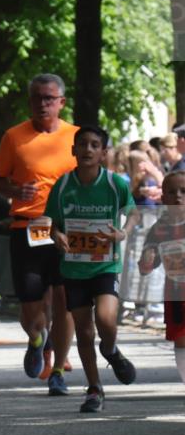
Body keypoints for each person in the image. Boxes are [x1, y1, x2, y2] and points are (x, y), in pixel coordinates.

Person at [0, 73, 78, 395]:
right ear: (30, 101)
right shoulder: (14, 137)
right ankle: (37, 338)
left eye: (49, 98)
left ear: (61, 102)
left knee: (65, 300)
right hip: (28, 226)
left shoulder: (76, 137)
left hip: (67, 229)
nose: (43, 103)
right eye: (37, 98)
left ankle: (57, 370)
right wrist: (15, 189)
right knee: (31, 305)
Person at [45, 126, 139, 413]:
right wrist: (56, 235)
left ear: (103, 153)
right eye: (82, 144)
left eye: (94, 144)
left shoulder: (114, 184)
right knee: (84, 333)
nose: (87, 149)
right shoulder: (62, 186)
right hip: (74, 269)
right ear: (73, 150)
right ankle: (94, 388)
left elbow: (133, 212)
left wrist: (123, 232)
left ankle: (109, 349)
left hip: (105, 265)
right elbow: (50, 223)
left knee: (107, 320)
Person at [139, 170, 185, 384]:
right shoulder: (159, 228)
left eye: (184, 191)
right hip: (175, 294)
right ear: (163, 197)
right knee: (181, 340)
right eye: (172, 192)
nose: (178, 196)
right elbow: (146, 266)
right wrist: (148, 259)